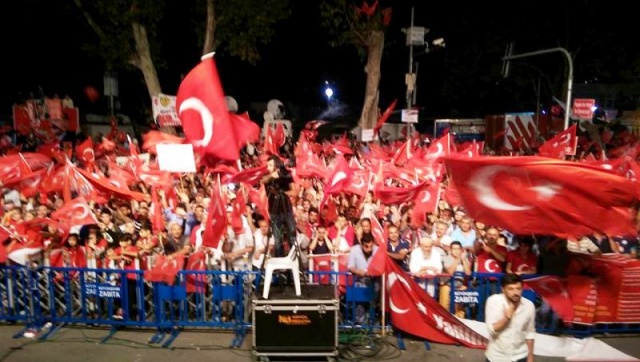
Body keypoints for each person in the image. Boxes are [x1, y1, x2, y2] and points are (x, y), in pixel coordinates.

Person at [485, 273, 535, 362]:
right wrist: (507, 318)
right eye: (511, 289)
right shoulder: (493, 301)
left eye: (518, 288)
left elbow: (529, 332)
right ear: (503, 289)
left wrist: (530, 357)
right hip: (497, 357)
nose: (515, 293)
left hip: (520, 356)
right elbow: (492, 330)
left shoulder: (529, 305)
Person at [260, 154, 297, 258]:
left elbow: (295, 192)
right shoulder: (267, 176)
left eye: (270, 165)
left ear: (276, 165)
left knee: (292, 239)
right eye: (268, 165)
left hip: (287, 211)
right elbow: (263, 180)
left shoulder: (286, 175)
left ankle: (294, 263)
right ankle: (280, 267)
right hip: (274, 212)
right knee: (277, 240)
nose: (268, 167)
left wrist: (283, 193)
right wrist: (272, 176)